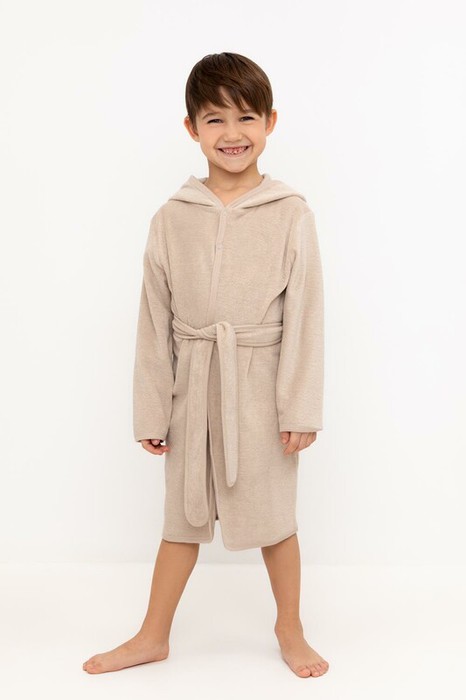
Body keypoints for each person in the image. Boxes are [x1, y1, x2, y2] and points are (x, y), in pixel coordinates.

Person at [83, 52, 328, 679]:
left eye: (246, 117)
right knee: (182, 518)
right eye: (215, 119)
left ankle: (290, 627)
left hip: (261, 388)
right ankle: (152, 635)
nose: (232, 133)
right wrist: (152, 408)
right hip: (193, 387)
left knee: (275, 518)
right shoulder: (171, 218)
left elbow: (305, 314)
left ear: (270, 122)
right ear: (192, 128)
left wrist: (299, 407)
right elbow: (153, 320)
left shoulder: (291, 213)